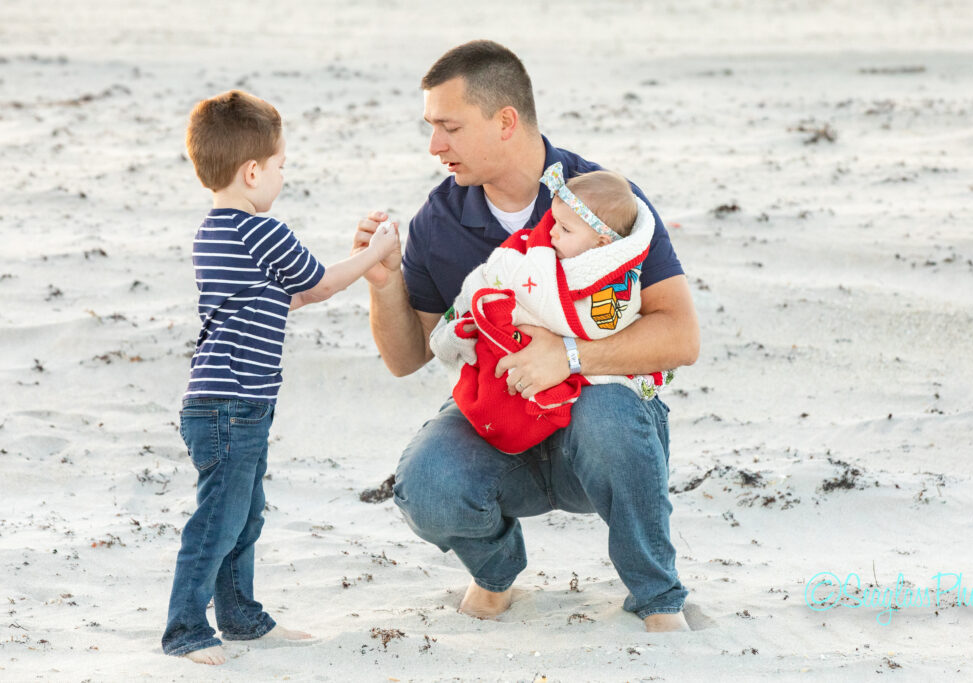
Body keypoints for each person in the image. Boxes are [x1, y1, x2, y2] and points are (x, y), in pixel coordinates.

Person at [352, 40, 700, 632]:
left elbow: (681, 335)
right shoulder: (437, 221)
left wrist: (567, 355)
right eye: (431, 128)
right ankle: (495, 575)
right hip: (499, 417)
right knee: (426, 484)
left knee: (611, 417)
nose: (435, 145)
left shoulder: (602, 199)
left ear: (505, 121)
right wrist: (382, 284)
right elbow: (407, 359)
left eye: (450, 127)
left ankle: (657, 596)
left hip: (600, 424)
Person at [163, 89, 397, 665]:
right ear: (251, 173)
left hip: (226, 402)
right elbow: (313, 285)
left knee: (242, 512)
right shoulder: (263, 232)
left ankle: (240, 615)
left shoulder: (211, 233)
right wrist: (374, 254)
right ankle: (185, 629)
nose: (281, 178)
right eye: (280, 167)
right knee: (218, 521)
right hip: (233, 404)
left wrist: (349, 264)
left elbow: (274, 301)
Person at [429, 162, 673, 454]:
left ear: (601, 242)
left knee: (608, 422)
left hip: (582, 387)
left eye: (565, 229)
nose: (552, 234)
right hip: (516, 368)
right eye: (554, 222)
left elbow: (602, 324)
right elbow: (508, 271)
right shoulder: (546, 247)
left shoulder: (614, 283)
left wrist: (564, 352)